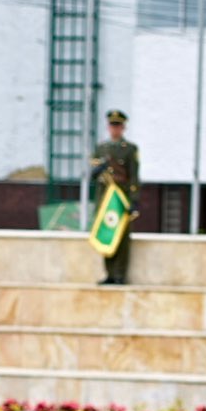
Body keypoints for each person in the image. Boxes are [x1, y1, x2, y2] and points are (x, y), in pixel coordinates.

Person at [90, 110, 140, 285]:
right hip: (106, 199)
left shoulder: (130, 149)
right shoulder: (101, 148)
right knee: (106, 234)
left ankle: (120, 274)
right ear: (108, 127)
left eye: (118, 125)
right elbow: (94, 174)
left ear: (123, 127)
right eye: (112, 125)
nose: (115, 129)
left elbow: (134, 176)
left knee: (121, 238)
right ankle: (109, 273)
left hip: (121, 198)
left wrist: (134, 199)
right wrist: (98, 169)